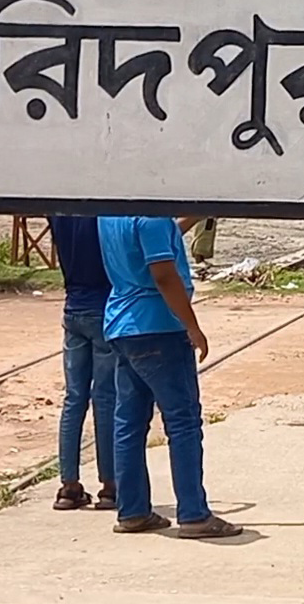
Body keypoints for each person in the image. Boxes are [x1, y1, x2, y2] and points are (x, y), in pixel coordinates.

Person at [96, 213, 240, 538]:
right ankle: (193, 514)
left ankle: (132, 511)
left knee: (129, 424)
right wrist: (192, 325)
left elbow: (160, 236)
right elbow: (163, 274)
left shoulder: (110, 213)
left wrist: (194, 215)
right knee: (183, 421)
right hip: (159, 326)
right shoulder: (151, 216)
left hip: (122, 324)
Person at [49, 215, 117, 512]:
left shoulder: (59, 213)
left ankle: (69, 485)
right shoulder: (105, 214)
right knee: (105, 398)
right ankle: (110, 485)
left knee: (74, 398)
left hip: (72, 307)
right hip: (104, 308)